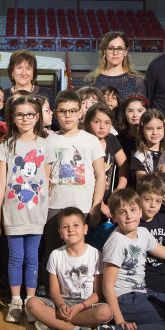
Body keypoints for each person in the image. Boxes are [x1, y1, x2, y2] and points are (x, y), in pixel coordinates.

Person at [0, 94, 54, 323]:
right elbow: (0, 182)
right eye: (20, 114)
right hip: (12, 212)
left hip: (36, 212)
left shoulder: (46, 145)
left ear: (37, 116)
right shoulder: (6, 145)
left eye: (30, 114)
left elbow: (45, 181)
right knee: (15, 257)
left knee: (32, 258)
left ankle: (31, 302)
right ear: (13, 118)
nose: (25, 118)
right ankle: (16, 301)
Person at [93, 188, 165, 330]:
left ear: (140, 212)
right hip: (124, 298)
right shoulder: (116, 242)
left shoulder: (143, 233)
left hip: (143, 293)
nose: (129, 216)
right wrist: (120, 320)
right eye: (123, 212)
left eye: (133, 210)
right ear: (113, 217)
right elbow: (107, 287)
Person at [43, 90, 106, 287]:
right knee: (53, 252)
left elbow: (101, 175)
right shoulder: (50, 140)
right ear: (55, 113)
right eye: (63, 111)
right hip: (55, 206)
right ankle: (50, 290)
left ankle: (82, 291)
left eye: (72, 111)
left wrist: (96, 205)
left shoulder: (91, 140)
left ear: (80, 113)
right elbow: (45, 177)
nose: (68, 115)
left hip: (83, 207)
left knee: (82, 254)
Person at [25, 207, 113, 330]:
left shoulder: (95, 255)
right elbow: (54, 290)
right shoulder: (55, 255)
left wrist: (80, 307)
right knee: (31, 304)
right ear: (60, 233)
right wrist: (60, 305)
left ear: (85, 229)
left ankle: (54, 322)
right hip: (62, 305)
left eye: (76, 225)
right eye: (65, 227)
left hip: (85, 306)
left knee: (106, 312)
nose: (71, 229)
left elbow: (98, 293)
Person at [85, 103, 127, 213]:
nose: (102, 126)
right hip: (87, 199)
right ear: (88, 122)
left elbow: (124, 164)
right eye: (97, 121)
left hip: (108, 199)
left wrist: (119, 189)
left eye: (107, 123)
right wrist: (99, 204)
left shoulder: (111, 140)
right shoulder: (84, 141)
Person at [85, 31, 146, 101]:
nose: (115, 52)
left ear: (125, 51)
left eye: (119, 48)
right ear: (104, 51)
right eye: (111, 48)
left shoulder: (137, 81)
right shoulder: (92, 80)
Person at [129, 108, 165, 183]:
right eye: (149, 129)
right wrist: (158, 173)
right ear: (142, 129)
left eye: (159, 128)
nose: (154, 132)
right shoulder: (140, 156)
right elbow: (141, 183)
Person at [116, 95, 147, 159]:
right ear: (125, 113)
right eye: (130, 111)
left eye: (140, 111)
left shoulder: (151, 136)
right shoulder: (119, 138)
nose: (135, 115)